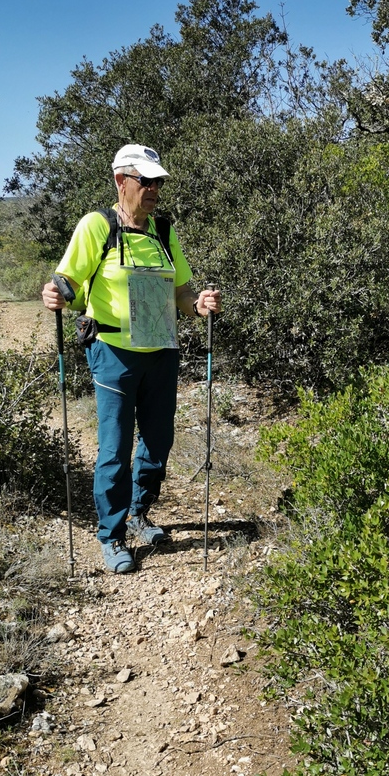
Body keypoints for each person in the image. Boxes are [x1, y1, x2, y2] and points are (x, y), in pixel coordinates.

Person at [42, 143, 222, 574]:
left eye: (158, 181)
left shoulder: (163, 230)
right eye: (147, 180)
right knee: (115, 447)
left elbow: (180, 289)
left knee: (158, 442)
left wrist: (197, 303)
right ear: (121, 181)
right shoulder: (96, 226)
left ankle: (140, 512)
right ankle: (112, 534)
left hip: (162, 352)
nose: (155, 188)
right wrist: (56, 292)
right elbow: (66, 279)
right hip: (113, 354)